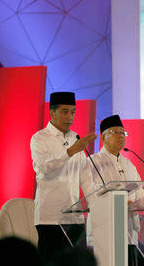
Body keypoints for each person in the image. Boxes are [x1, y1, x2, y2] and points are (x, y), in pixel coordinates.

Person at [30, 91, 97, 260]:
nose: (70, 116)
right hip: (50, 219)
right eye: (65, 111)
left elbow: (85, 178)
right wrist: (71, 151)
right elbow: (44, 168)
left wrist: (99, 204)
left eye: (73, 112)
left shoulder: (75, 137)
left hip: (75, 217)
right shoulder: (39, 138)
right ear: (52, 112)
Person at [88, 114, 144, 264]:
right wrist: (121, 201)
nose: (121, 136)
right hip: (105, 230)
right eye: (116, 132)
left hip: (128, 231)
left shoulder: (128, 163)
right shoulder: (93, 162)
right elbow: (93, 192)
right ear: (103, 138)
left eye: (123, 133)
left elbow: (139, 192)